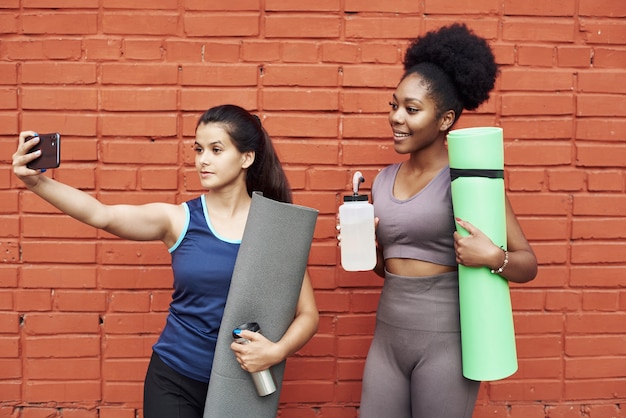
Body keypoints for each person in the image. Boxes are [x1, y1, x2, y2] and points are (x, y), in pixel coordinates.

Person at [12, 104, 319, 418]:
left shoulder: (274, 228)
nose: (203, 160)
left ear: (246, 157)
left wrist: (275, 352)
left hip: (240, 384)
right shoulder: (179, 219)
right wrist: (36, 183)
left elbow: (308, 314)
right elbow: (101, 214)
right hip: (175, 378)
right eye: (199, 149)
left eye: (216, 149)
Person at [357, 23, 538, 417]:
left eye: (412, 109)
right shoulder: (382, 180)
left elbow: (528, 264)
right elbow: (387, 269)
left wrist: (493, 257)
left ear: (445, 119)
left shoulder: (469, 182)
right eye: (394, 105)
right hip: (387, 339)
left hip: (447, 343)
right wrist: (366, 249)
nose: (396, 118)